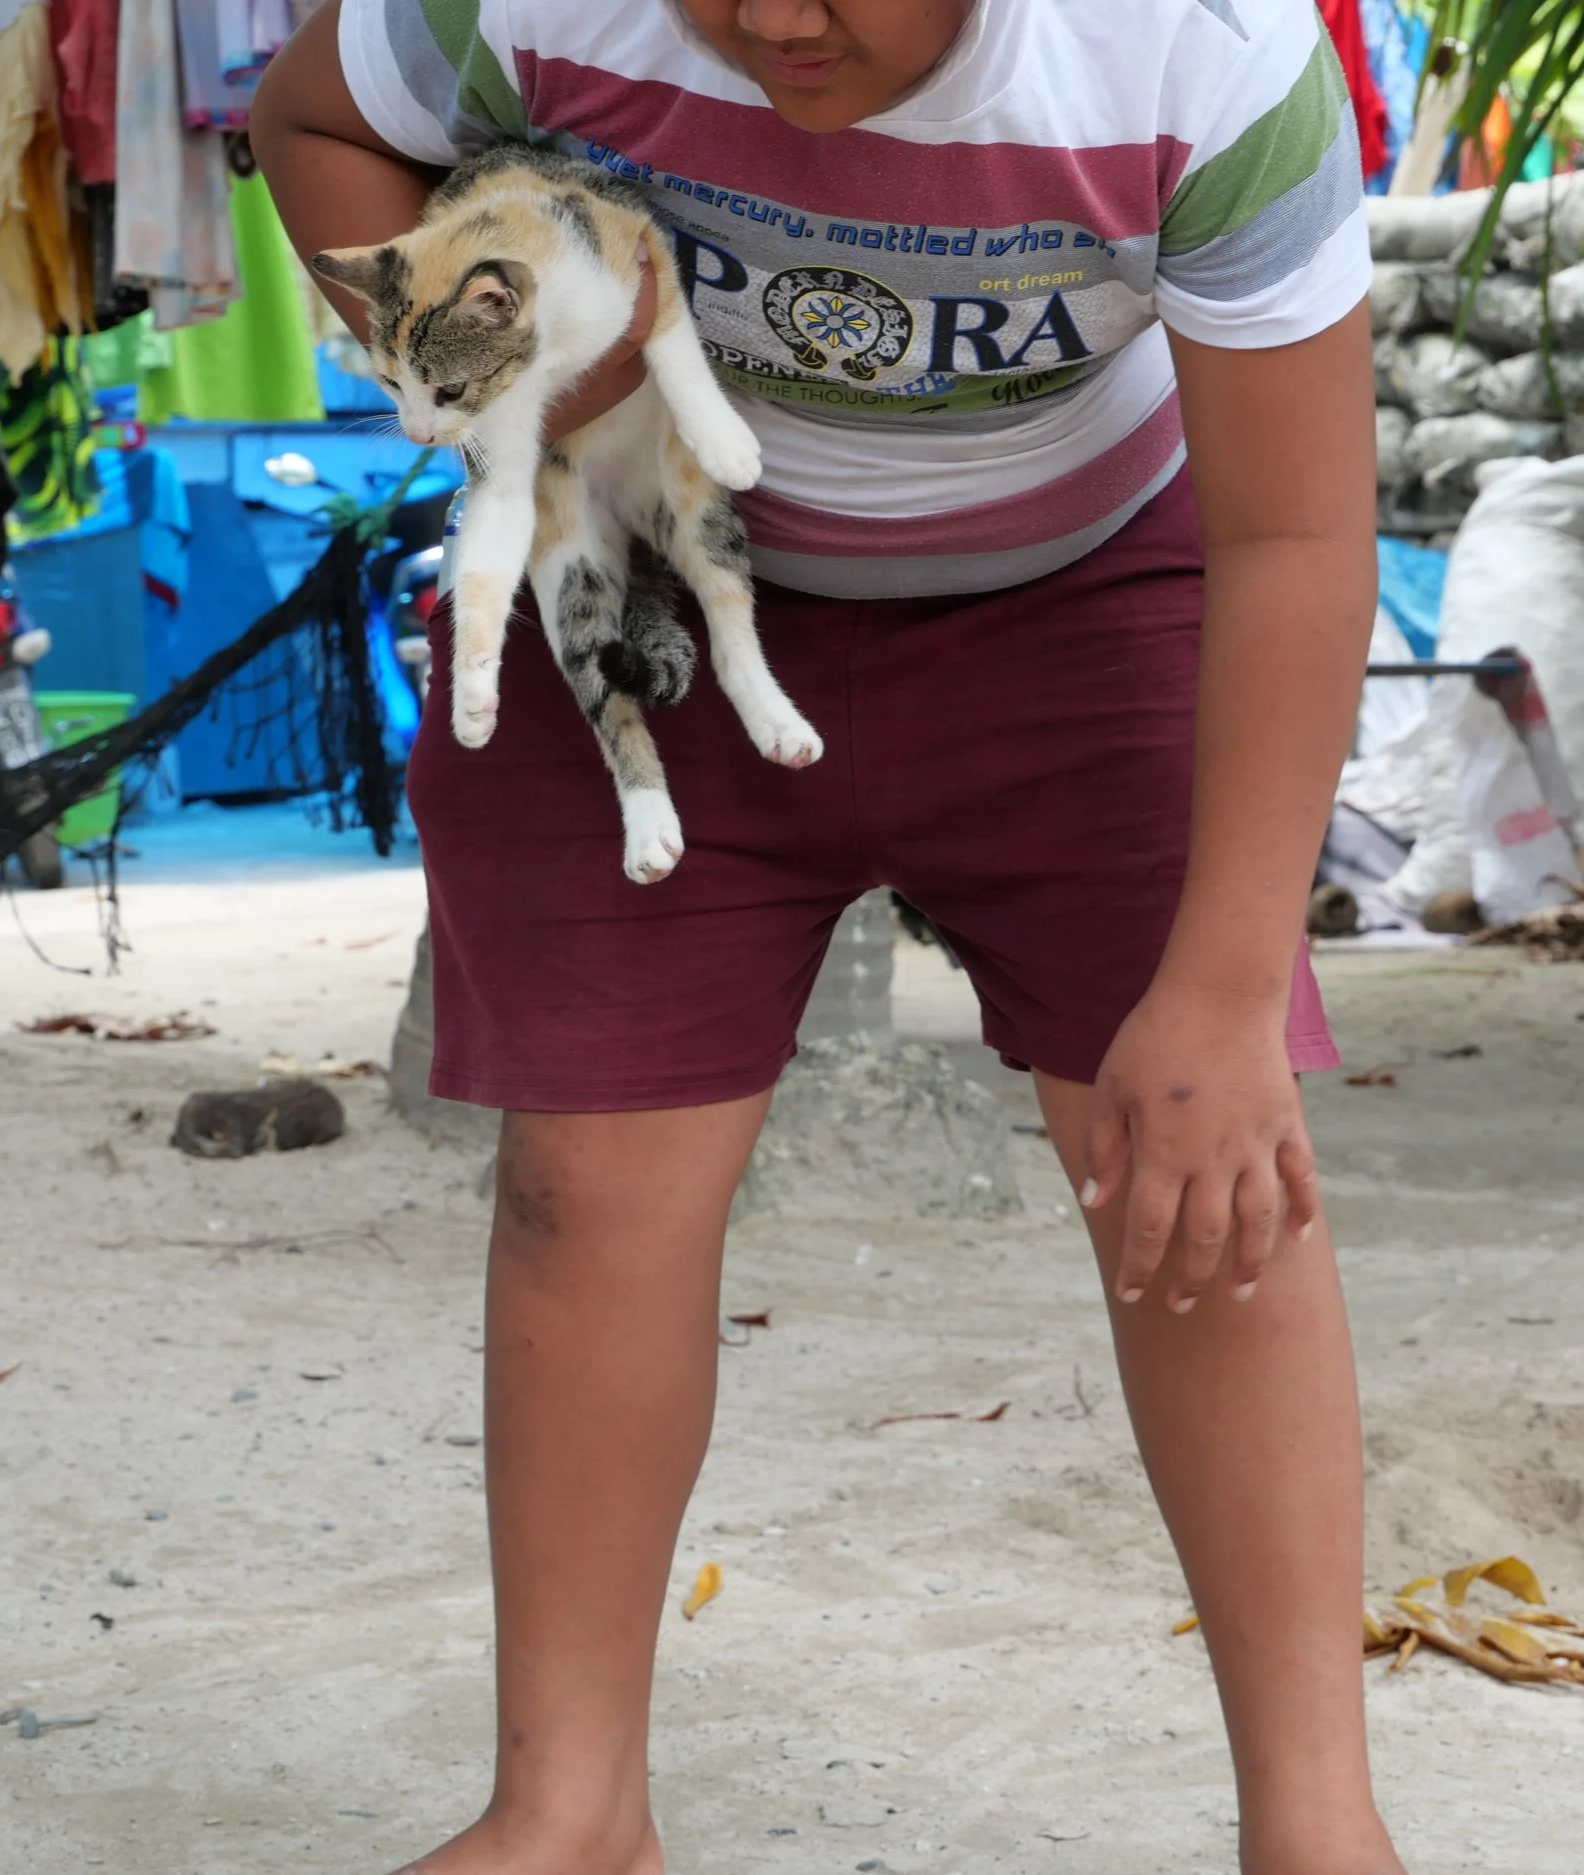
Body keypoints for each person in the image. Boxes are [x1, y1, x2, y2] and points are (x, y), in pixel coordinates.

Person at [251, 2, 1396, 1869]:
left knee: (1206, 1180)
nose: (778, 20)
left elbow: (1296, 536)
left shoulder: (1203, 53)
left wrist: (1223, 982)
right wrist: (513, 366)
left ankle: (1318, 1826)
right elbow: (317, 126)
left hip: (1089, 606)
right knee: (585, 1188)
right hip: (649, 591)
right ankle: (568, 1807)